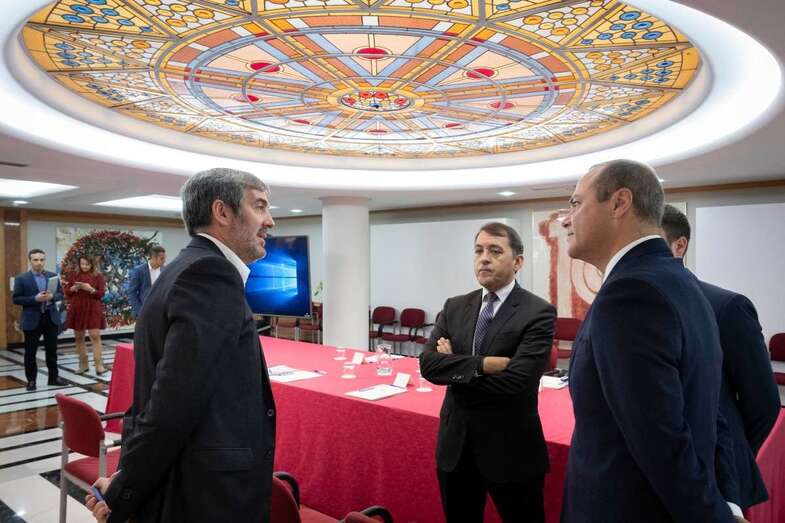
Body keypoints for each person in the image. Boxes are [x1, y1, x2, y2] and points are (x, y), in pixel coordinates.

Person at [86, 168, 277, 523]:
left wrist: (128, 475)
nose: (270, 221)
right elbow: (173, 403)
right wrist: (125, 492)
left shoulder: (182, 268)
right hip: (208, 495)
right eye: (260, 206)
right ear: (222, 212)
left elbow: (160, 393)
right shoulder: (210, 275)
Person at [559, 159, 744, 522]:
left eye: (576, 203)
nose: (566, 219)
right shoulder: (681, 282)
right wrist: (727, 503)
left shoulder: (630, 292)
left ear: (619, 203)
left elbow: (660, 439)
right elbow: (712, 411)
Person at [419, 222, 556, 523]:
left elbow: (516, 382)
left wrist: (454, 364)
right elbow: (428, 365)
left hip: (511, 450)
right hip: (456, 447)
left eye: (495, 251)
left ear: (517, 262)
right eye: (479, 250)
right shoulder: (454, 307)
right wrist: (483, 364)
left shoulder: (538, 312)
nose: (484, 258)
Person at [661, 204, 780, 510]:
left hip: (717, 474)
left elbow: (763, 404)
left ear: (679, 245)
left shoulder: (726, 307)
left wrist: (728, 454)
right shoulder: (632, 308)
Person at [12, 248, 67, 391]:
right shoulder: (21, 279)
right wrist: (34, 299)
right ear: (30, 261)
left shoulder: (53, 276)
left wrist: (52, 297)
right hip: (32, 319)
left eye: (41, 259)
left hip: (51, 318)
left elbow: (60, 295)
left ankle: (53, 378)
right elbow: (16, 299)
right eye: (36, 260)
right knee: (30, 352)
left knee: (52, 350)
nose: (39, 263)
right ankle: (31, 381)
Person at [64, 255, 109, 375]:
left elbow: (101, 294)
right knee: (79, 337)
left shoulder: (98, 276)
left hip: (93, 308)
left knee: (95, 336)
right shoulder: (74, 275)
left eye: (87, 264)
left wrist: (90, 289)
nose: (84, 266)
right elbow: (67, 292)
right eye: (82, 264)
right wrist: (73, 288)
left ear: (93, 265)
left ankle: (99, 365)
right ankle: (83, 365)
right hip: (78, 308)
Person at [127, 245, 166, 318]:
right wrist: (140, 311)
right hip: (144, 314)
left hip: (161, 313)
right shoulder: (139, 270)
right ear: (154, 258)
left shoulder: (165, 270)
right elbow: (131, 292)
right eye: (162, 258)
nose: (164, 261)